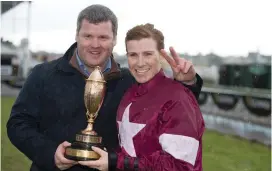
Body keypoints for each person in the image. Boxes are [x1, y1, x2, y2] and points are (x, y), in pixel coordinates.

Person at [6, 4, 203, 171]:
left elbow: (169, 108)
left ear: (115, 39)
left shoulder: (130, 81)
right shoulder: (43, 74)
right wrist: (49, 153)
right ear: (76, 35)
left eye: (103, 37)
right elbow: (17, 124)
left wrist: (187, 83)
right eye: (88, 36)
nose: (95, 44)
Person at [78, 23, 205, 171]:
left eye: (147, 54)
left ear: (162, 56)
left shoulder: (178, 97)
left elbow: (181, 166)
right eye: (133, 55)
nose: (140, 63)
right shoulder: (129, 93)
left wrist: (115, 162)